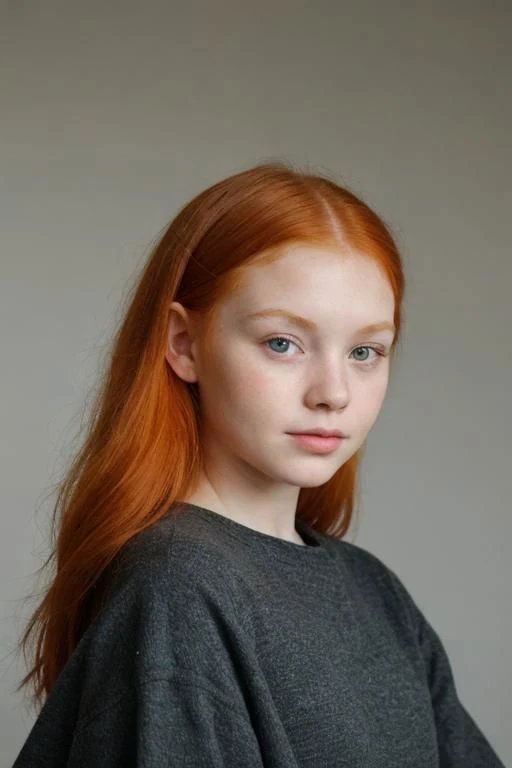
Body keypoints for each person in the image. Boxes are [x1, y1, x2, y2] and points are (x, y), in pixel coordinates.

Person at [12, 162, 505, 767]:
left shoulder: (374, 592)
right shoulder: (178, 586)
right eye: (282, 343)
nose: (334, 392)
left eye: (365, 351)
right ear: (183, 344)